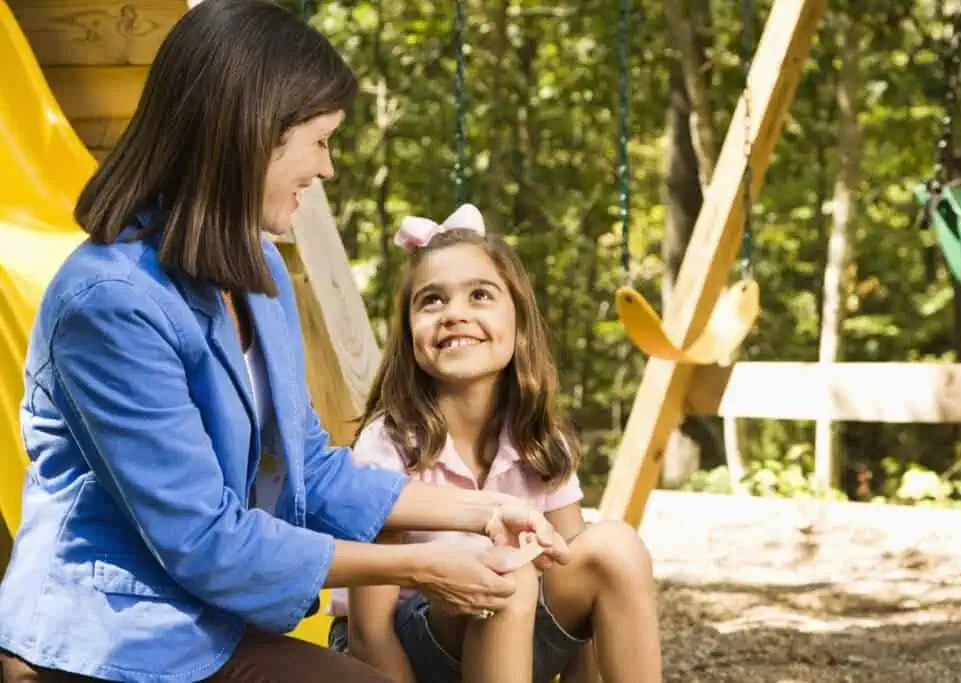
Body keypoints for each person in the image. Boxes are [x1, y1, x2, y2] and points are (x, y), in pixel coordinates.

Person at [0, 2, 571, 681]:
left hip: (202, 628)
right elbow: (205, 538)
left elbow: (312, 465)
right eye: (320, 139)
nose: (328, 167)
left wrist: (485, 510)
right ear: (252, 134)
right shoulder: (110, 304)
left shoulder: (257, 265)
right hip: (105, 645)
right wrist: (422, 562)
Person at [331, 205, 663, 683]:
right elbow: (369, 635)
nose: (455, 315)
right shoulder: (390, 445)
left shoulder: (539, 438)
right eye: (431, 302)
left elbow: (577, 582)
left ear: (520, 325)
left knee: (614, 548)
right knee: (509, 572)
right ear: (408, 335)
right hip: (399, 655)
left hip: (511, 631)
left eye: (480, 295)